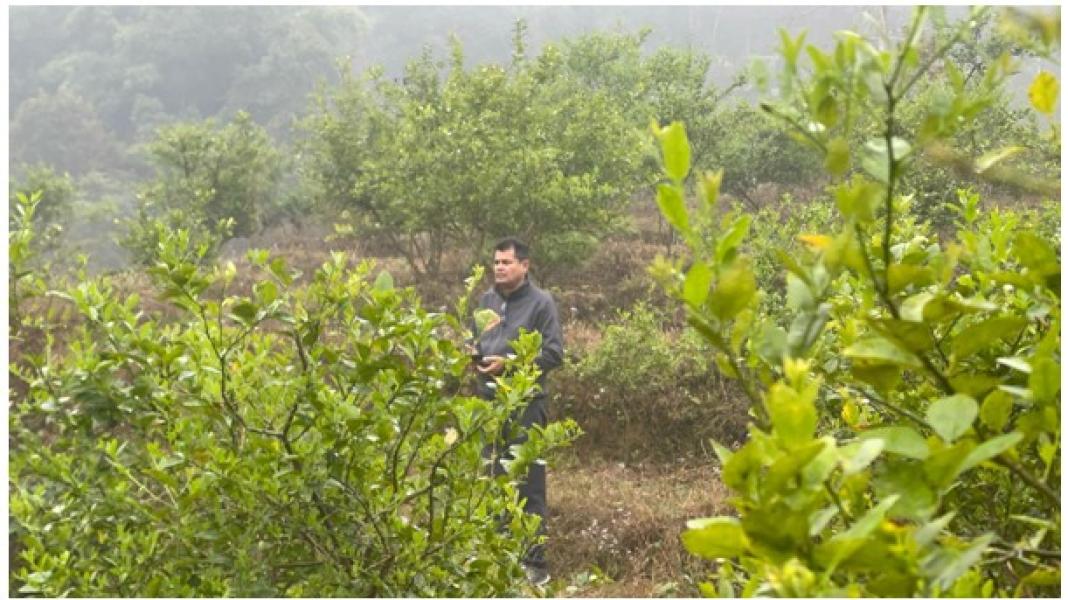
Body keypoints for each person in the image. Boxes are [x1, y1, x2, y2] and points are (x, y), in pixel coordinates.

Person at [473, 237, 563, 587]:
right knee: (492, 480)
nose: (499, 267)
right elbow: (478, 341)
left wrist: (508, 365)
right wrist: (473, 352)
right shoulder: (486, 301)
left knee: (529, 485)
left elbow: (554, 354)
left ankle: (535, 565)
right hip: (490, 404)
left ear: (524, 266)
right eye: (496, 262)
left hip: (527, 405)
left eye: (506, 262)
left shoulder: (542, 303)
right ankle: (498, 557)